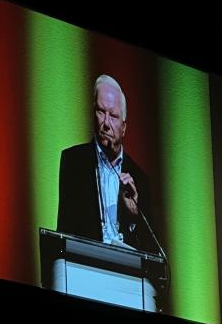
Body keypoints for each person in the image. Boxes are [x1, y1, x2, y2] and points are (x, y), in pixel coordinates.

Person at [57, 74, 156, 253]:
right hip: (85, 265)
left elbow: (150, 251)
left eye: (114, 116)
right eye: (101, 112)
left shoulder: (140, 179)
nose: (106, 123)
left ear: (124, 128)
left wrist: (133, 217)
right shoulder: (74, 162)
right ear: (93, 113)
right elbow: (66, 230)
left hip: (126, 272)